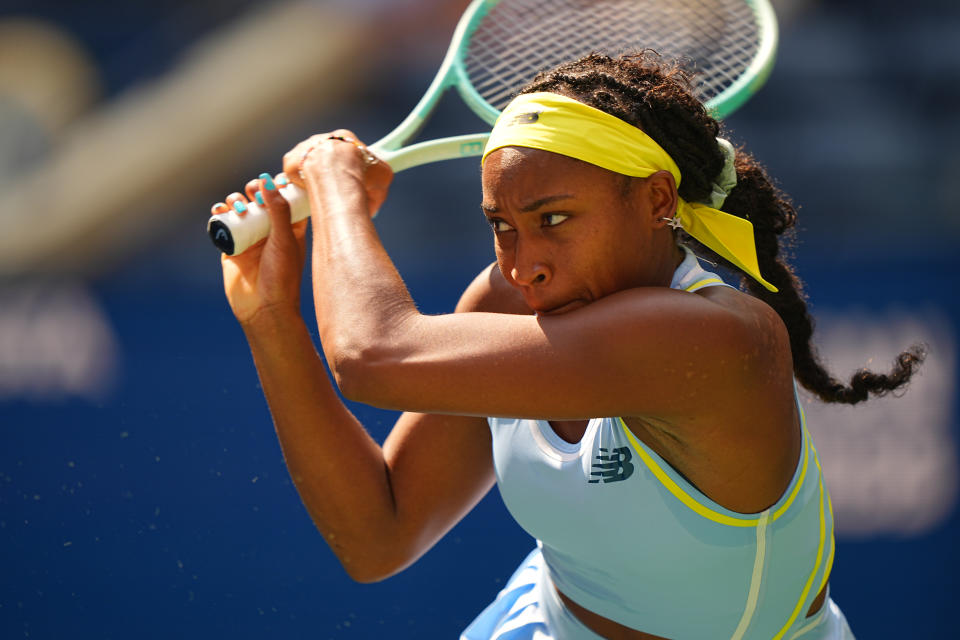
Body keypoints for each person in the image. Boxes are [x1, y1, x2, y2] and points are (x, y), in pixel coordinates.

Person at [209, 52, 923, 639]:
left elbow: (372, 356)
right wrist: (271, 320)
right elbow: (379, 535)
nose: (525, 265)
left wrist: (336, 190)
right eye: (503, 225)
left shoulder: (714, 342)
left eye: (555, 218)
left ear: (656, 201)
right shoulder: (509, 298)